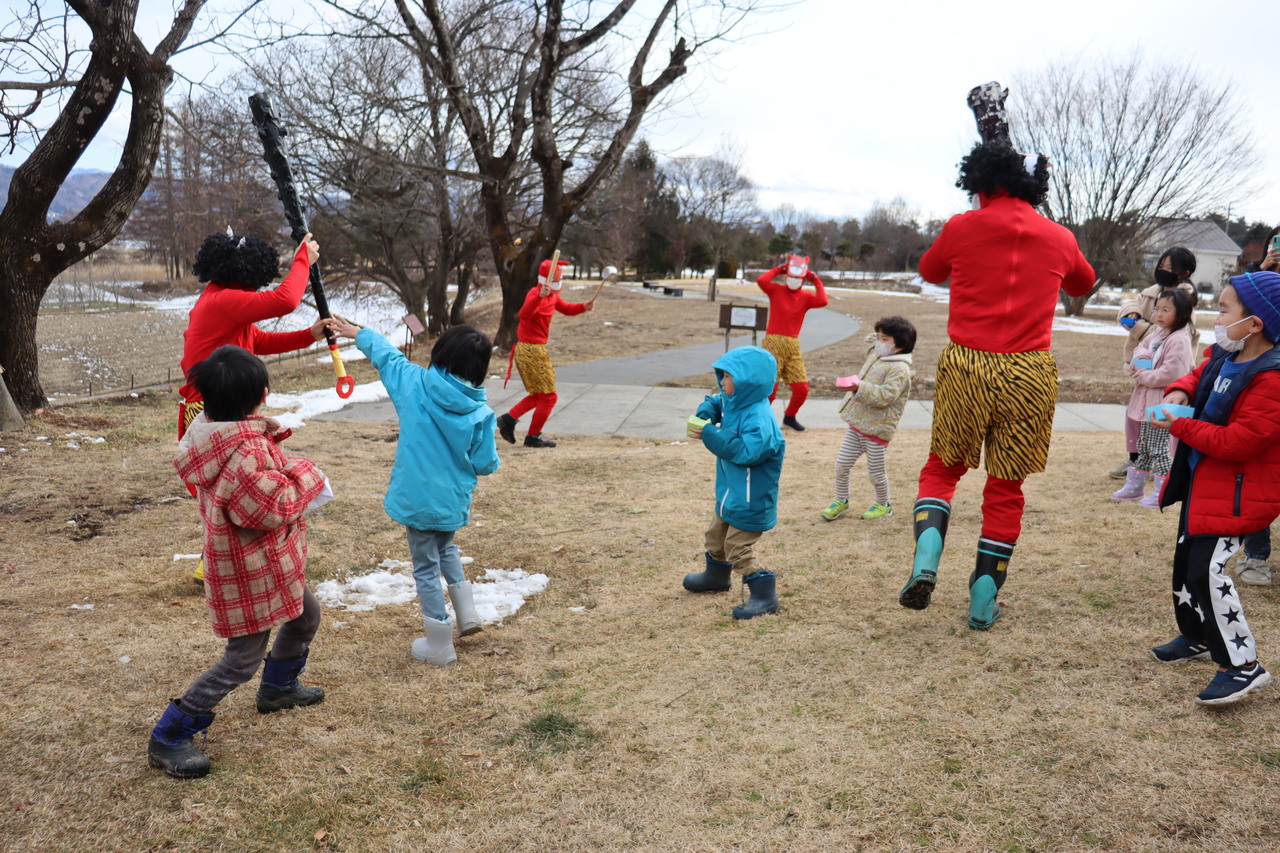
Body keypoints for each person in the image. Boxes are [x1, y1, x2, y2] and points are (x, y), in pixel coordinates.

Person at [898, 138, 1096, 630]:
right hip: (1030, 370)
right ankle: (984, 594)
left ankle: (928, 554)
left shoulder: (964, 226)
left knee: (943, 469)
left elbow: (928, 271)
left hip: (968, 364)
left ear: (981, 182)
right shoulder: (1059, 237)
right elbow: (1082, 283)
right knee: (1005, 488)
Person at [149, 346, 329, 778]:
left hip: (266, 564)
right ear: (262, 395)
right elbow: (269, 508)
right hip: (249, 571)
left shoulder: (211, 432)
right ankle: (170, 733)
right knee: (241, 660)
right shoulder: (244, 453)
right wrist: (306, 474)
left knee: (306, 617)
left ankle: (279, 688)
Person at [329, 317, 500, 665]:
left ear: (440, 354)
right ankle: (467, 615)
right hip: (451, 500)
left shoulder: (413, 384)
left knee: (425, 566)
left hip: (417, 499)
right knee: (446, 547)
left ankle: (439, 644)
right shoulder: (482, 412)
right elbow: (485, 464)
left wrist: (358, 333)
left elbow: (388, 356)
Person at [1146, 269, 1280, 705]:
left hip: (1236, 495)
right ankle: (1197, 635)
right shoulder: (1226, 353)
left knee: (1207, 571)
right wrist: (1181, 393)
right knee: (1187, 565)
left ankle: (1242, 664)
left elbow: (1239, 441)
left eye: (1223, 309)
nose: (1216, 317)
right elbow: (1197, 375)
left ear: (1255, 323)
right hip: (1203, 483)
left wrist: (1182, 424)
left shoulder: (1272, 379)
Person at [178, 230, 329, 584]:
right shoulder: (222, 300)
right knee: (231, 487)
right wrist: (302, 259)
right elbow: (286, 300)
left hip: (222, 406)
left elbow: (256, 341)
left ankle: (218, 561)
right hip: (213, 409)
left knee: (234, 485)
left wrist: (309, 335)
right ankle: (218, 562)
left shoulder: (222, 302)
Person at [681, 346, 786, 620]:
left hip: (751, 499)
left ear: (748, 382)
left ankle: (765, 595)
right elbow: (717, 401)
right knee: (715, 537)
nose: (721, 382)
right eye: (722, 375)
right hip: (730, 493)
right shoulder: (734, 400)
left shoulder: (759, 419)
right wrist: (706, 413)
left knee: (737, 548)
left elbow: (745, 451)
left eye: (727, 377)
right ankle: (716, 577)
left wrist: (708, 433)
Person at [1110, 248, 1201, 480]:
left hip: (1164, 379)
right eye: (1162, 264)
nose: (1163, 270)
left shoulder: (1184, 300)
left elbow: (1168, 333)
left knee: (1161, 423)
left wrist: (1137, 326)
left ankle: (1164, 469)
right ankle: (1136, 460)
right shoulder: (1151, 293)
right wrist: (1130, 313)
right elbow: (1134, 309)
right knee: (1135, 418)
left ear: (1185, 272)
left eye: (1170, 267)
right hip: (1145, 373)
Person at [822, 316, 916, 522]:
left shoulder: (899, 369)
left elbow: (885, 396)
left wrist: (859, 387)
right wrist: (880, 333)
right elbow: (870, 340)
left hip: (876, 431)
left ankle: (884, 504)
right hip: (857, 425)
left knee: (875, 473)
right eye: (879, 337)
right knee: (842, 465)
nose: (878, 342)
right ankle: (841, 500)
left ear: (900, 345)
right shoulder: (878, 353)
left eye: (885, 339)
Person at [1110, 288, 1195, 507]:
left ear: (1184, 314)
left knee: (1161, 448)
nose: (1159, 314)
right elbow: (1141, 347)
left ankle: (1163, 491)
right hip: (1148, 399)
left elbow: (1172, 372)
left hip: (1163, 402)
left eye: (1166, 310)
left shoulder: (1180, 339)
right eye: (1157, 309)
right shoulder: (1159, 332)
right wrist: (1142, 361)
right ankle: (1135, 487)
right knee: (1144, 445)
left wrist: (1144, 374)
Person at [497, 258, 594, 448]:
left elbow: (566, 309)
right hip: (530, 350)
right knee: (549, 397)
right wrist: (538, 296)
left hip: (535, 349)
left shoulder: (553, 297)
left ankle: (509, 419)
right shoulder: (535, 293)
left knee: (540, 395)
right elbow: (524, 315)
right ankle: (532, 436)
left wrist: (583, 307)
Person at [1234, 226, 1280, 585]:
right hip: (1262, 379)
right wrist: (1263, 270)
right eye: (1275, 243)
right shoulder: (1259, 282)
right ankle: (1256, 557)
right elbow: (1233, 315)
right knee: (1262, 472)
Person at [756, 254, 829, 431]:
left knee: (801, 388)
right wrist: (779, 269)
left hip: (792, 345)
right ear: (786, 276)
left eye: (798, 278)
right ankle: (759, 421)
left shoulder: (805, 297)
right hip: (773, 343)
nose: (794, 280)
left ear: (803, 279)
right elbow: (761, 280)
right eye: (791, 276)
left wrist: (815, 279)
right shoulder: (776, 290)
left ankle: (790, 417)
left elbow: (823, 300)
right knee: (770, 390)